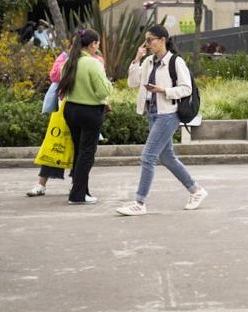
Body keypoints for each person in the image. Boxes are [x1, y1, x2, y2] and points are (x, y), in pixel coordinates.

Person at [116, 25, 208, 216]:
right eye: (146, 40)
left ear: (162, 40)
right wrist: (137, 59)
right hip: (152, 113)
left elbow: (186, 88)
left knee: (148, 156)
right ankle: (196, 190)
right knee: (166, 157)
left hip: (169, 114)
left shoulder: (176, 61)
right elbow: (133, 83)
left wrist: (163, 91)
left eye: (150, 40)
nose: (147, 43)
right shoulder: (148, 61)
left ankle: (139, 202)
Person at [26, 42, 105, 197]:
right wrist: (67, 60)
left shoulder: (96, 60)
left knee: (80, 149)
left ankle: (76, 186)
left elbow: (99, 83)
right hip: (64, 108)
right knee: (53, 144)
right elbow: (54, 75)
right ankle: (41, 184)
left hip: (85, 108)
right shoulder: (66, 58)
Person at [56, 28, 111, 205]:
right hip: (90, 112)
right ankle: (77, 195)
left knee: (79, 152)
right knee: (87, 153)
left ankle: (82, 191)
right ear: (93, 44)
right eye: (97, 44)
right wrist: (109, 85)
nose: (98, 47)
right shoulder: (93, 63)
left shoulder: (68, 63)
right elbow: (103, 90)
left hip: (70, 110)